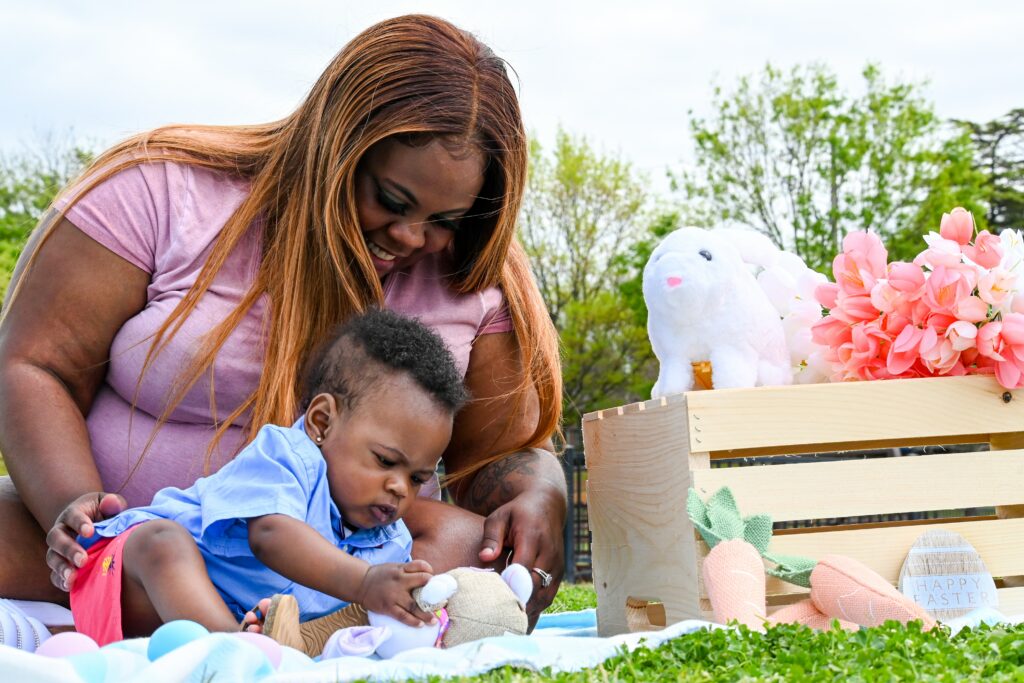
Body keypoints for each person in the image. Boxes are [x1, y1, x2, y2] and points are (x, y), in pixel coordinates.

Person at [0, 14, 565, 632]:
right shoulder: (159, 190)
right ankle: (229, 628)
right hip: (129, 549)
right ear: (335, 145)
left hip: (341, 569)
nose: (410, 236)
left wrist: (541, 494)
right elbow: (35, 364)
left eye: (446, 221)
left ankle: (288, 637)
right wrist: (74, 513)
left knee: (463, 546)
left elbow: (501, 454)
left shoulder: (474, 278)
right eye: (391, 201)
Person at [70, 309, 464, 645]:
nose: (399, 488)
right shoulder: (286, 457)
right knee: (162, 541)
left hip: (198, 625)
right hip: (130, 581)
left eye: (417, 479)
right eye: (384, 460)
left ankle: (243, 646)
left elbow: (357, 614)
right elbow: (271, 535)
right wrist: (365, 584)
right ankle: (236, 656)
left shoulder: (390, 544)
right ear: (322, 422)